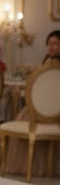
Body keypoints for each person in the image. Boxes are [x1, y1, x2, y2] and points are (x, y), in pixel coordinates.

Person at [4, 29, 60, 176]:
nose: (52, 47)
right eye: (50, 44)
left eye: (56, 44)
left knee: (23, 119)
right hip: (41, 107)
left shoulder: (50, 66)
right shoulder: (45, 62)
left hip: (51, 110)